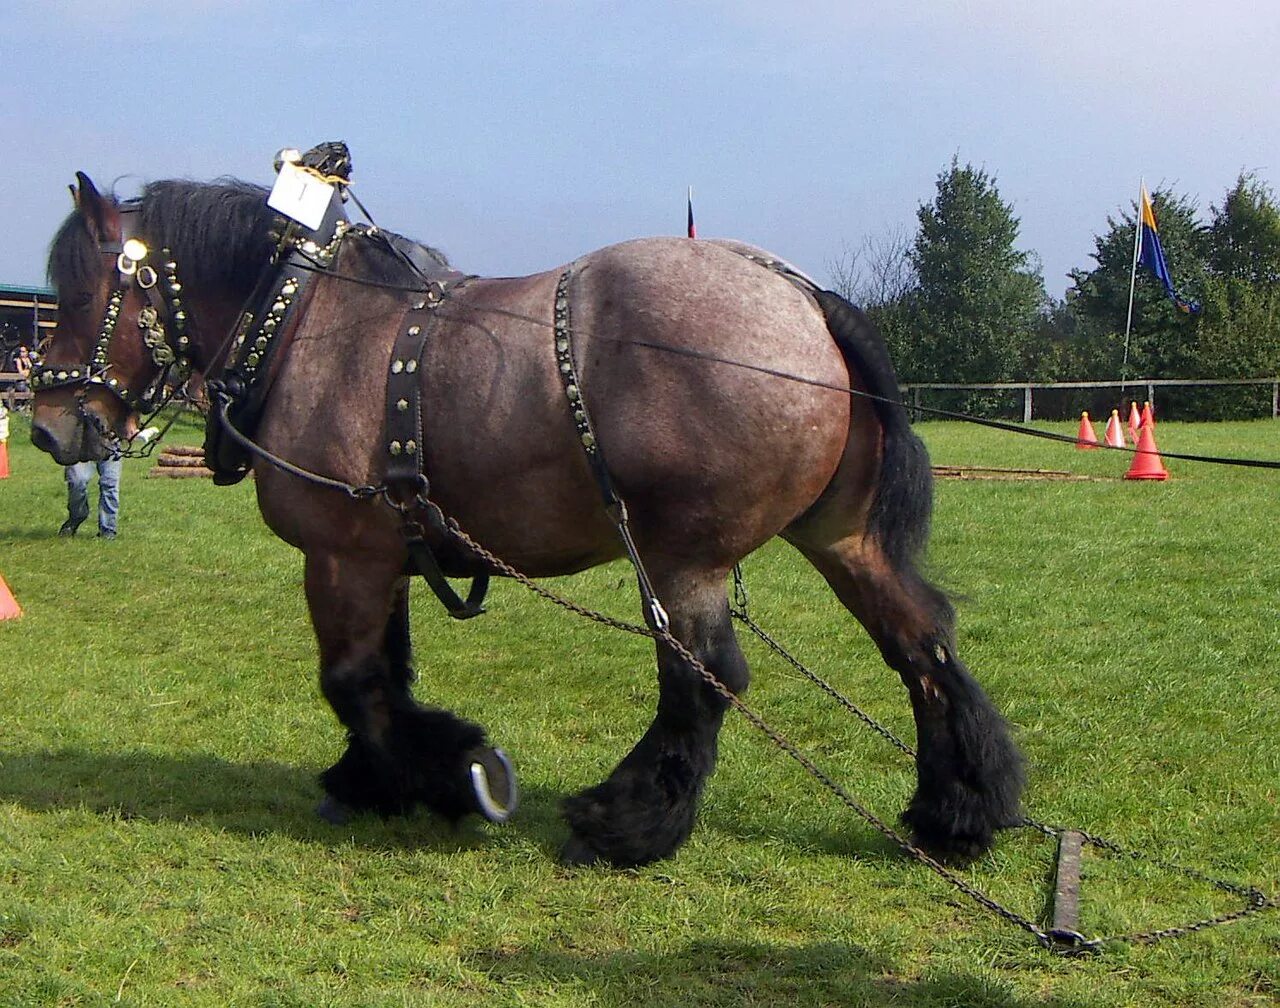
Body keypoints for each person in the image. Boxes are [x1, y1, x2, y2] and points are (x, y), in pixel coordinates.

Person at [60, 451, 122, 539]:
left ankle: (108, 530)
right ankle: (76, 517)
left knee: (110, 484)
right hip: (81, 445)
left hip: (110, 444)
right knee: (76, 481)